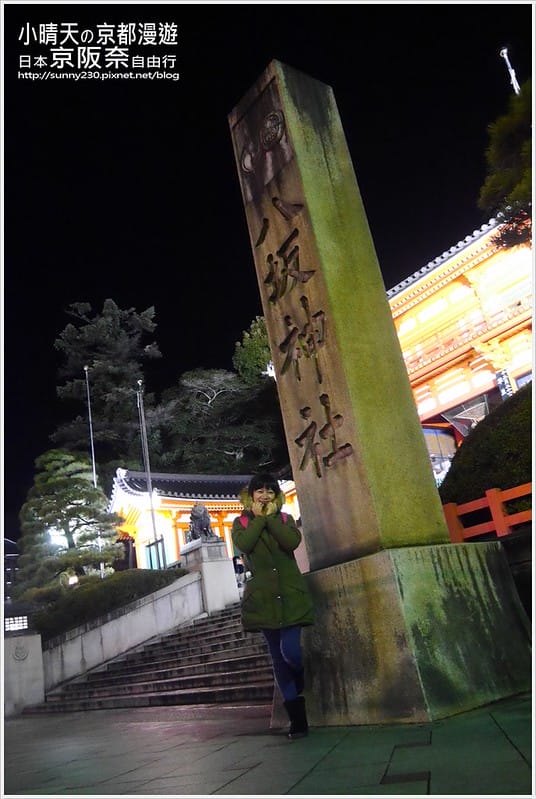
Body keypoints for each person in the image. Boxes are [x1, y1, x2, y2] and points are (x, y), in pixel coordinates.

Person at [232, 472, 314, 739]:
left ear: (276, 495)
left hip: (289, 593)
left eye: (270, 491)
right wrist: (259, 519)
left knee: (290, 651)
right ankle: (297, 721)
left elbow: (291, 542)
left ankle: (301, 674)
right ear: (251, 494)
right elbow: (244, 544)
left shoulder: (285, 519)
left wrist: (270, 519)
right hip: (263, 598)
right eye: (260, 491)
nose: (264, 495)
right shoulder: (241, 522)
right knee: (277, 658)